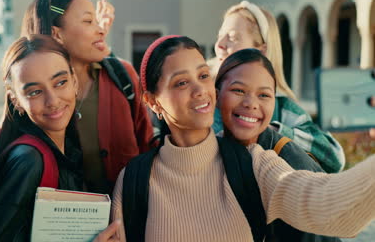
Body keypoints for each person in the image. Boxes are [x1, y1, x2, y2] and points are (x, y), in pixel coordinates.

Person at [111, 35, 375, 242]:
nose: (200, 90)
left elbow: (329, 206)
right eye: (181, 83)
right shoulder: (134, 180)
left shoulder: (253, 165)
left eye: (203, 76)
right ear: (152, 101)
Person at [0, 35, 120, 242]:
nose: (52, 101)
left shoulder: (67, 148)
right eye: (34, 92)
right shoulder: (28, 160)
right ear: (16, 100)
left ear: (74, 82)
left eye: (60, 82)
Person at [21, 0, 153, 194]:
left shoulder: (123, 76)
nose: (100, 29)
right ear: (57, 34)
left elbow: (148, 147)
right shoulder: (36, 99)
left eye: (97, 21)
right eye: (88, 21)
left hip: (129, 216)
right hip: (63, 222)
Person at [216, 48, 340, 241]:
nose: (251, 103)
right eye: (238, 90)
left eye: (264, 95)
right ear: (216, 95)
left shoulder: (292, 165)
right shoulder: (212, 150)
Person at [212, 0, 345, 173]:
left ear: (260, 51)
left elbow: (335, 158)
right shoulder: (202, 98)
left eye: (232, 38)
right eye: (219, 36)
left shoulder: (282, 108)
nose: (219, 45)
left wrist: (272, 133)